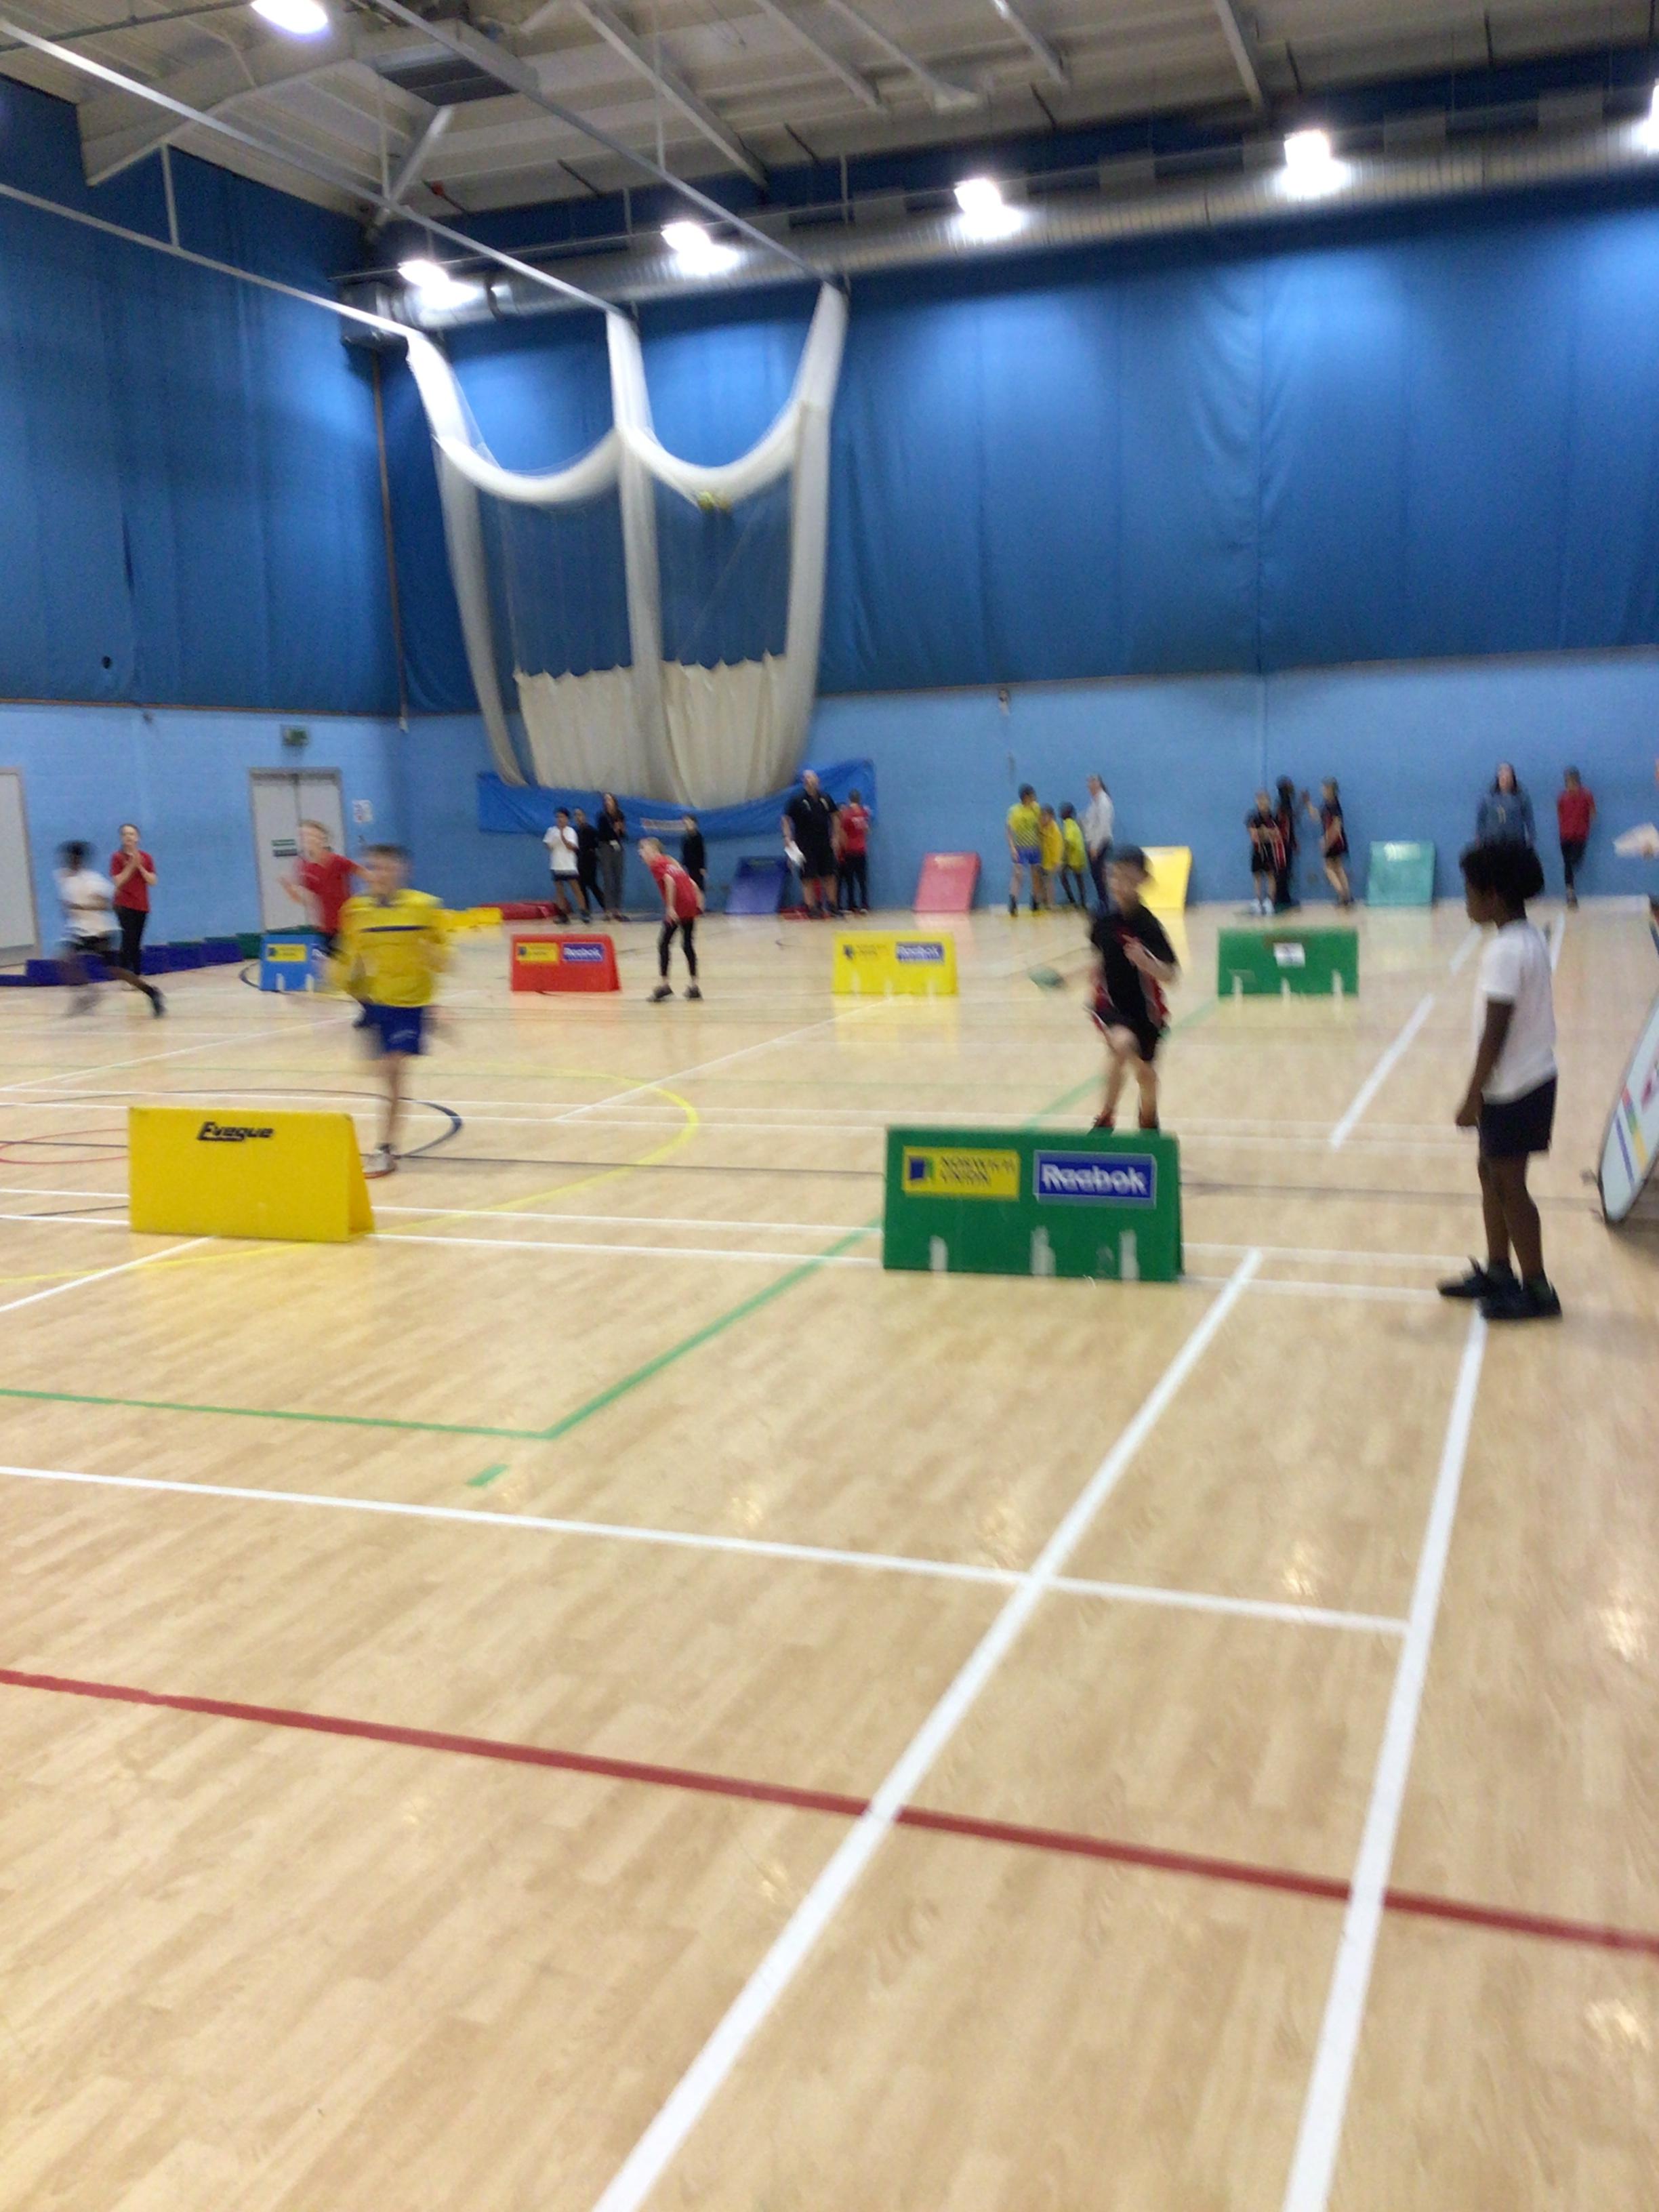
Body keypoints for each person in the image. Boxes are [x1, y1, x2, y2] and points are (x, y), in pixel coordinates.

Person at [1439, 841, 1560, 1322]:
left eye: (1470, 891)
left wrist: (1472, 1096)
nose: (1465, 899)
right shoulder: (1524, 938)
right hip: (1520, 1082)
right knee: (1491, 1173)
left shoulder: (1506, 952)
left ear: (1493, 895)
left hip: (1517, 1087)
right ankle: (1498, 1271)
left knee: (1510, 1185)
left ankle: (1538, 1290)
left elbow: (1495, 1032)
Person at [333, 844, 447, 1179]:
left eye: (386, 867)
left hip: (411, 1004)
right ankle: (387, 1145)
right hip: (375, 1001)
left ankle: (384, 1148)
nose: (378, 874)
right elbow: (349, 956)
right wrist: (339, 978)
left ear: (402, 871)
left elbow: (445, 955)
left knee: (393, 1069)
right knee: (381, 1074)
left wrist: (435, 957)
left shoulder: (424, 907)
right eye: (373, 867)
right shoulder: (356, 910)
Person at [1088, 846, 1179, 1133]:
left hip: (1147, 1013)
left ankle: (1148, 1121)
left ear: (1143, 880)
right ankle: (1106, 1118)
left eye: (1127, 877)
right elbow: (1098, 961)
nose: (1119, 884)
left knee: (1146, 1078)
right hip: (1112, 1006)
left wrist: (1146, 963)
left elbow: (1171, 975)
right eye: (1115, 876)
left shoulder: (1149, 926)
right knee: (1122, 1044)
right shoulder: (1103, 922)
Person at [55, 842, 164, 1014]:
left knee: (115, 971)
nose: (68, 861)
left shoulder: (93, 880)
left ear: (78, 859)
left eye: (71, 858)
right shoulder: (64, 877)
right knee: (63, 960)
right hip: (78, 930)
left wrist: (83, 907)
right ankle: (88, 994)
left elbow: (107, 905)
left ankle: (151, 992)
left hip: (100, 931)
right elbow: (66, 902)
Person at [640, 836, 703, 1000]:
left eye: (644, 849)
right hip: (690, 903)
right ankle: (694, 986)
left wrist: (670, 908)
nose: (641, 853)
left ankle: (665, 985)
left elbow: (669, 881)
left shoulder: (656, 864)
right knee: (687, 944)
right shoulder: (671, 861)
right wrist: (698, 902)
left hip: (679, 905)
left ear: (654, 851)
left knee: (663, 943)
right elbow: (692, 883)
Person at [283, 820, 361, 954]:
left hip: (347, 923)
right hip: (326, 929)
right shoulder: (303, 867)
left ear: (323, 839)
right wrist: (289, 888)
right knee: (333, 964)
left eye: (312, 835)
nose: (308, 839)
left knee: (354, 962)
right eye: (303, 836)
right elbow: (304, 900)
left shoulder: (337, 861)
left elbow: (363, 873)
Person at [783, 771, 838, 918]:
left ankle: (833, 906)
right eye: (808, 778)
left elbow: (835, 816)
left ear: (818, 781)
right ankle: (812, 908)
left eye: (814, 778)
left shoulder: (825, 798)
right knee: (808, 877)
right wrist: (788, 837)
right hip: (805, 844)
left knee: (830, 874)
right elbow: (786, 819)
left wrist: (835, 836)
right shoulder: (797, 799)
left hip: (824, 842)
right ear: (804, 781)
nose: (812, 781)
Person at [109, 823, 157, 977]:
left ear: (138, 838)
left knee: (137, 940)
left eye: (131, 834)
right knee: (128, 938)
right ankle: (125, 975)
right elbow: (118, 881)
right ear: (121, 838)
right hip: (123, 904)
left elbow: (153, 881)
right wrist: (131, 865)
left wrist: (140, 866)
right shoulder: (117, 857)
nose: (128, 837)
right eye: (125, 834)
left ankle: (137, 973)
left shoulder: (146, 857)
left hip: (141, 904)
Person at [1305, 779, 1353, 907]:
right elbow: (1316, 817)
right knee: (1338, 867)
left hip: (1335, 840)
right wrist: (1308, 804)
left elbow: (1337, 826)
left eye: (1324, 788)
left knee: (1328, 868)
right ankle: (1347, 896)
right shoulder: (1327, 805)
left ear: (1330, 790)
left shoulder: (1334, 806)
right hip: (1335, 840)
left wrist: (1326, 841)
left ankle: (1342, 895)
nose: (1322, 791)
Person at [1555, 768, 1595, 909]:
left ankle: (1571, 891)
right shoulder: (1562, 797)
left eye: (1573, 781)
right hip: (1565, 836)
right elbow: (1560, 814)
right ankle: (1570, 893)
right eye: (1568, 781)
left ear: (1578, 781)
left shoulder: (1586, 795)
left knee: (1575, 861)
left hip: (1580, 836)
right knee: (1568, 864)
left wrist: (1585, 824)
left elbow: (1593, 813)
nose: (1570, 784)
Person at [1476, 763, 1536, 847]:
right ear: (1498, 779)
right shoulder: (1488, 798)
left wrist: (1531, 837)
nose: (1506, 781)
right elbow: (1481, 819)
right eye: (1502, 778)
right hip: (1492, 843)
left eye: (1508, 778)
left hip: (1516, 843)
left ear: (1513, 779)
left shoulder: (1522, 798)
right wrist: (1479, 838)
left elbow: (1529, 818)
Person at [1006, 783, 1042, 917]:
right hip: (1021, 848)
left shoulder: (1036, 809)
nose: (1034, 798)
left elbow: (1040, 826)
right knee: (1018, 874)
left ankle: (1035, 901)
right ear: (1026, 797)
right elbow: (1009, 831)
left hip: (1035, 847)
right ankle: (1013, 901)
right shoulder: (1015, 811)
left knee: (1036, 874)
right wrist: (1012, 848)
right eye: (1032, 796)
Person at [835, 787, 871, 914]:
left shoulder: (846, 815)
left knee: (850, 880)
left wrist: (843, 849)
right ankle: (864, 904)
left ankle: (851, 905)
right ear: (859, 800)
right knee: (862, 880)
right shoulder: (863, 813)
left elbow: (842, 834)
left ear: (849, 800)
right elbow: (867, 830)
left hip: (850, 850)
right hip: (862, 850)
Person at [1246, 791, 1282, 916]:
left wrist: (1264, 832)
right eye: (1260, 800)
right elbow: (1254, 835)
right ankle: (1258, 901)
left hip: (1270, 850)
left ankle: (1270, 902)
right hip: (1257, 850)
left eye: (1265, 800)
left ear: (1269, 802)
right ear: (1257, 802)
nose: (1262, 803)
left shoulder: (1274, 817)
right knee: (1257, 876)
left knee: (1271, 875)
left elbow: (1276, 835)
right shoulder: (1252, 816)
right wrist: (1265, 832)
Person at [1081, 775, 1115, 908]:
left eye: (1091, 784)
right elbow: (1092, 822)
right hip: (1094, 843)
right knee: (1097, 876)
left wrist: (1095, 846)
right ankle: (1102, 901)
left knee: (1100, 875)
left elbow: (1103, 826)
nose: (1089, 788)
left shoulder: (1103, 802)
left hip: (1101, 844)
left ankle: (1105, 904)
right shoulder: (1095, 802)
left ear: (1097, 784)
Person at [544, 807, 580, 921]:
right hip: (557, 864)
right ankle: (563, 914)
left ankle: (584, 911)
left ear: (567, 819)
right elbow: (548, 845)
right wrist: (554, 839)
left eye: (562, 817)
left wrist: (563, 837)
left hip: (569, 865)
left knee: (576, 889)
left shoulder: (571, 831)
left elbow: (571, 847)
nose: (559, 819)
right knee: (560, 891)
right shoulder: (551, 831)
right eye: (557, 817)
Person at [596, 794, 628, 919]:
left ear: (614, 801)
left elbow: (623, 836)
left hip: (617, 847)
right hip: (606, 847)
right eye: (606, 800)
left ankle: (617, 909)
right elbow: (601, 835)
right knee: (607, 879)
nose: (607, 802)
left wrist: (621, 830)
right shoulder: (602, 816)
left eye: (609, 799)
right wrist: (613, 830)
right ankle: (608, 909)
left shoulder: (620, 815)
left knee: (618, 878)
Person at [1273, 777, 1300, 912]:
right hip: (1281, 843)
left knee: (1287, 871)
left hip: (1287, 842)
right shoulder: (1282, 805)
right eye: (1290, 787)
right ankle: (1279, 898)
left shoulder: (1286, 804)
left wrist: (1294, 842)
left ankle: (1285, 898)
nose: (1292, 788)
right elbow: (1291, 819)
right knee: (1282, 871)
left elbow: (1291, 824)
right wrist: (1302, 803)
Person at [1059, 803, 1089, 909]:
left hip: (1073, 856)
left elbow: (1068, 841)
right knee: (1079, 879)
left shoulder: (1068, 824)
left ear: (1067, 813)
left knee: (1062, 874)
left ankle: (1071, 899)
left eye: (1062, 811)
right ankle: (1083, 902)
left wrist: (1064, 857)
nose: (1060, 813)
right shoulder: (1075, 824)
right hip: (1080, 855)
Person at [573, 806, 600, 920]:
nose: (578, 817)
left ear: (584, 817)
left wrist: (593, 853)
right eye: (576, 815)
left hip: (590, 861)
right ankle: (586, 910)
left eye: (580, 815)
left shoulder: (591, 830)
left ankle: (606, 907)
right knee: (582, 886)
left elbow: (597, 844)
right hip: (579, 861)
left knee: (593, 885)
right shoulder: (575, 832)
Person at [1038, 805, 1064, 910]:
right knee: (1042, 881)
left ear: (1052, 817)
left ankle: (1051, 903)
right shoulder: (1040, 827)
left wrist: (1057, 862)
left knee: (1049, 882)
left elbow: (1058, 847)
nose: (1043, 819)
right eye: (1041, 816)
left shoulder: (1055, 830)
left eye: (1045, 816)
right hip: (1042, 860)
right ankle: (1044, 901)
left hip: (1052, 861)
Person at [680, 813, 707, 901]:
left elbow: (702, 852)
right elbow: (684, 853)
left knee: (699, 887)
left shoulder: (698, 837)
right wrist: (682, 865)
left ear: (694, 823)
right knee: (691, 886)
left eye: (689, 821)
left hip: (697, 866)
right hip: (688, 866)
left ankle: (701, 906)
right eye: (685, 822)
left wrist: (703, 867)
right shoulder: (685, 838)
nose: (687, 824)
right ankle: (694, 904)